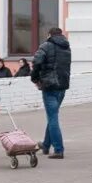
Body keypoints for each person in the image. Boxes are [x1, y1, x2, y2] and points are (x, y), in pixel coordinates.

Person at [31, 27, 72, 159]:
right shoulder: (66, 47)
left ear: (49, 34)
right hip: (62, 85)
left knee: (52, 118)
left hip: (49, 86)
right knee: (52, 116)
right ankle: (46, 145)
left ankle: (59, 150)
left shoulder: (46, 45)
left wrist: (35, 78)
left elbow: (36, 62)